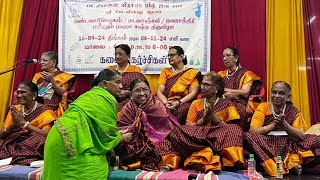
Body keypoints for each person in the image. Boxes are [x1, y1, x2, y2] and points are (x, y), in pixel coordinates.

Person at [43, 69, 132, 179]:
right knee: (91, 171)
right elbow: (106, 136)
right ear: (105, 84)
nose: (121, 86)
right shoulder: (106, 99)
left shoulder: (88, 95)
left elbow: (93, 128)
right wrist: (121, 138)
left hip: (57, 136)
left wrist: (117, 134)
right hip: (74, 143)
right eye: (118, 82)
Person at [156, 72, 244, 172]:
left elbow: (230, 127)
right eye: (202, 84)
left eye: (206, 84)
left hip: (217, 137)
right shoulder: (196, 103)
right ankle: (208, 153)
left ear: (217, 88)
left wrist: (214, 117)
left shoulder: (226, 103)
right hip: (198, 137)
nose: (202, 87)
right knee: (176, 131)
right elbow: (188, 127)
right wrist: (202, 120)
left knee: (235, 129)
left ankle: (208, 155)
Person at [244, 81, 320, 176]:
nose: (276, 95)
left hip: (287, 143)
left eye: (281, 93)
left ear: (288, 97)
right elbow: (253, 131)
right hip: (267, 142)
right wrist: (272, 126)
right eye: (274, 92)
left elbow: (300, 135)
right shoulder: (263, 106)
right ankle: (291, 164)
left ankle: (288, 164)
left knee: (315, 139)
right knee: (247, 136)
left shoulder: (293, 110)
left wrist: (284, 124)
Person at [116, 77, 179, 170]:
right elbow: (121, 127)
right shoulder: (128, 107)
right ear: (131, 93)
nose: (142, 94)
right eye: (137, 90)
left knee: (163, 146)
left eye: (145, 90)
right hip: (135, 139)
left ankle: (166, 164)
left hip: (157, 139)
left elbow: (164, 129)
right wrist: (134, 128)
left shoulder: (157, 104)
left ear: (150, 91)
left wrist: (145, 129)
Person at [0, 81, 56, 165]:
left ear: (34, 95)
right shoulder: (16, 109)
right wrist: (13, 125)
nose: (19, 95)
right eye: (18, 92)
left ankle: (15, 159)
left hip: (31, 140)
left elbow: (46, 134)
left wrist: (24, 124)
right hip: (14, 140)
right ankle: (13, 158)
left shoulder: (45, 111)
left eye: (23, 92)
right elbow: (2, 135)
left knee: (39, 140)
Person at [218, 46, 263, 131]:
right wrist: (225, 96)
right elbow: (215, 90)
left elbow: (245, 92)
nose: (225, 58)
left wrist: (224, 89)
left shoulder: (246, 74)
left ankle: (236, 135)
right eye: (223, 56)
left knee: (239, 110)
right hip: (222, 100)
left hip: (241, 102)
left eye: (228, 55)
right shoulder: (220, 74)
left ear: (236, 58)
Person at [157, 46, 202, 124]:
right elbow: (159, 91)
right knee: (155, 107)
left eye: (172, 55)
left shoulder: (191, 73)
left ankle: (178, 132)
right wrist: (165, 102)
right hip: (166, 101)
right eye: (168, 56)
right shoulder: (165, 71)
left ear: (181, 57)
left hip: (183, 102)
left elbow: (193, 93)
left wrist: (178, 102)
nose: (169, 57)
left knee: (183, 110)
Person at [32, 51, 75, 117]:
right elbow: (31, 91)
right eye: (41, 60)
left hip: (51, 103)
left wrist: (52, 81)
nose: (41, 62)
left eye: (45, 60)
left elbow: (64, 94)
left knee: (41, 109)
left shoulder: (63, 76)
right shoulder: (38, 76)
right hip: (36, 101)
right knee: (17, 107)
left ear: (54, 62)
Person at [107, 44, 144, 112]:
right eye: (116, 54)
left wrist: (128, 93)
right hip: (111, 101)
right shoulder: (110, 69)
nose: (117, 56)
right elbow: (105, 87)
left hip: (130, 102)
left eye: (120, 54)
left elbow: (139, 88)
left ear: (128, 56)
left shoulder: (135, 69)